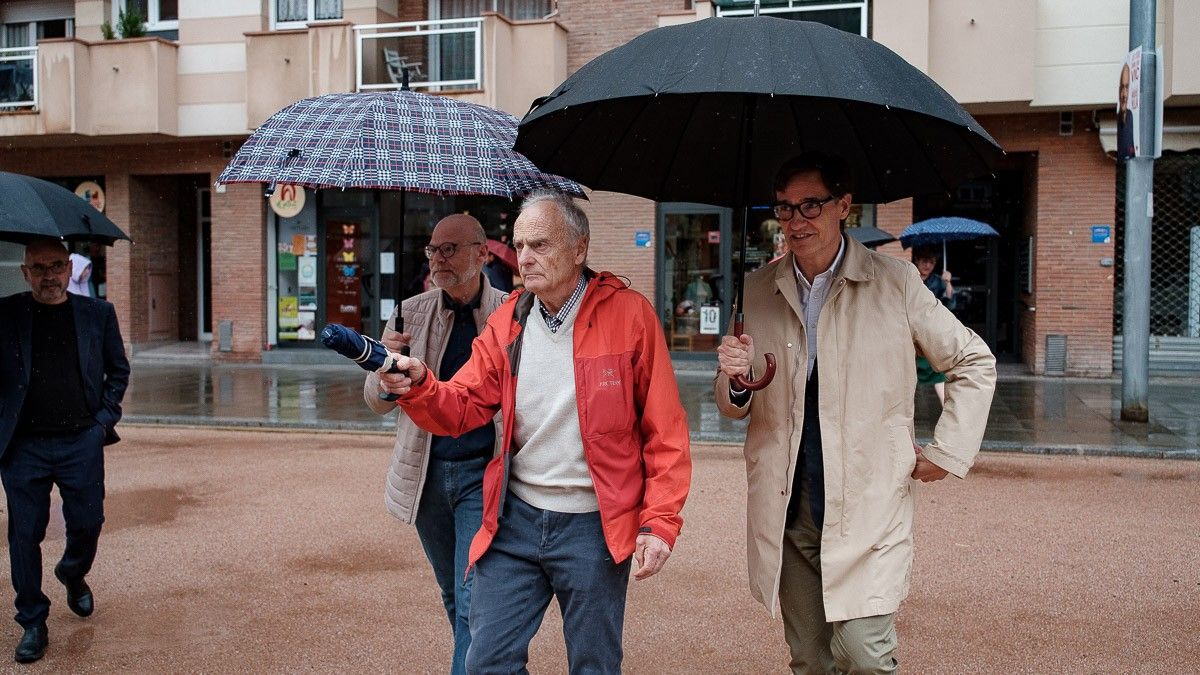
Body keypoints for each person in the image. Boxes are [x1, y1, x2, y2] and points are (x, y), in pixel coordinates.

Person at [380, 190, 691, 673]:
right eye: (520, 245)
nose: (524, 258)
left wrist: (660, 521)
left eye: (540, 245)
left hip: (593, 526)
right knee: (488, 661)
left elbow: (665, 430)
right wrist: (420, 384)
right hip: (515, 519)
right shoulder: (510, 319)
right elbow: (460, 405)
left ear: (579, 248)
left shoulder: (630, 316)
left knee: (594, 665)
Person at [714, 152, 996, 674]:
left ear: (845, 205)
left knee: (864, 656)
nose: (796, 221)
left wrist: (949, 450)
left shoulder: (896, 283)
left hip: (869, 503)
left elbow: (972, 360)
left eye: (811, 205)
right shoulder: (757, 289)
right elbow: (735, 407)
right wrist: (733, 378)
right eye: (785, 208)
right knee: (810, 660)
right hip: (789, 504)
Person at [363, 214, 504, 675]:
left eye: (450, 249)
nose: (438, 259)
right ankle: (477, 661)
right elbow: (375, 401)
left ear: (482, 253)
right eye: (432, 250)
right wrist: (385, 377)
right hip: (425, 475)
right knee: (452, 592)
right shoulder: (410, 311)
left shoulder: (511, 311)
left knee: (471, 597)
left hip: (480, 474)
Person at [0, 237, 130, 664]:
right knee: (24, 535)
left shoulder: (98, 314)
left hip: (81, 440)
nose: (50, 276)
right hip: (24, 446)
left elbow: (118, 370)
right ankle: (33, 621)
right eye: (39, 268)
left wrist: (102, 422)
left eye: (57, 266)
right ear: (25, 273)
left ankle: (72, 572)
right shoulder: (6, 314)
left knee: (89, 521)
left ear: (69, 269)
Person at [912, 246, 956, 404]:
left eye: (931, 262)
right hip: (910, 333)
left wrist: (948, 283)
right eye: (924, 261)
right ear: (916, 260)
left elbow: (951, 304)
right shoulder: (910, 278)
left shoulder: (938, 281)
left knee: (938, 373)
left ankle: (947, 409)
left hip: (930, 333)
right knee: (906, 373)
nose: (927, 266)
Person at [1116, 63, 1135, 161]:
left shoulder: (1133, 118)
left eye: (1127, 88)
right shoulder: (1117, 119)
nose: (1124, 95)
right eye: (1122, 88)